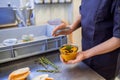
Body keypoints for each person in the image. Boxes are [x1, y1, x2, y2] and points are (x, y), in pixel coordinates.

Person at [52, 0, 120, 80]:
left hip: (105, 63)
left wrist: (84, 54)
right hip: (86, 57)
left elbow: (117, 39)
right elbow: (84, 14)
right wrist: (71, 28)